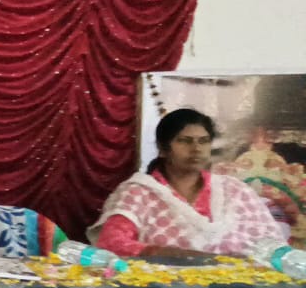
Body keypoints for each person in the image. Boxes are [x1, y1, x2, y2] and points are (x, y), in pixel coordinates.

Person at [88, 108, 284, 257]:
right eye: (185, 141)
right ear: (163, 148)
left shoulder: (234, 191)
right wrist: (173, 255)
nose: (196, 149)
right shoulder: (139, 193)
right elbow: (111, 243)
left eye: (203, 141)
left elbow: (273, 245)